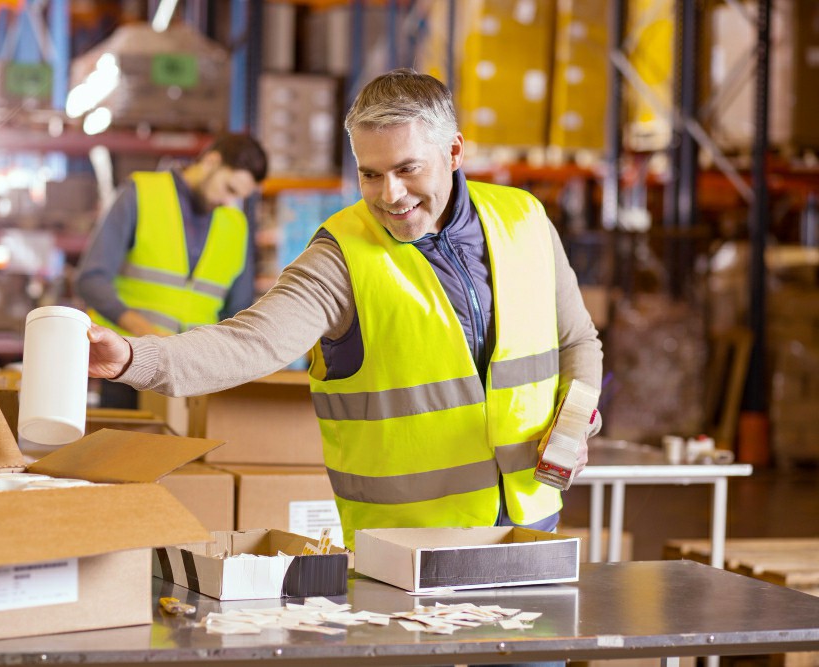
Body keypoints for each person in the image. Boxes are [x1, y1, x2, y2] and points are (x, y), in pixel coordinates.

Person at [86, 68, 603, 549]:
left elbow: (577, 340)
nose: (390, 195)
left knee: (531, 653)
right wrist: (134, 358)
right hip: (406, 547)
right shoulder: (341, 257)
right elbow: (251, 342)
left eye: (407, 169)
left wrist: (575, 423)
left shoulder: (524, 219)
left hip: (530, 526)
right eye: (370, 174)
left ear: (454, 151)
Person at [75, 132, 268, 406]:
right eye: (230, 189)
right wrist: (148, 335)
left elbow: (237, 312)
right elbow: (91, 280)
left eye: (239, 197)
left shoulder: (236, 225)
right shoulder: (141, 193)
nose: (229, 202)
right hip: (127, 365)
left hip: (193, 378)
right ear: (212, 161)